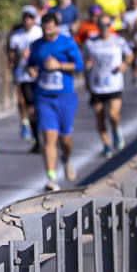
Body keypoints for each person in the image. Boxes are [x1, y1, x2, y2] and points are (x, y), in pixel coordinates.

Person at [27, 12, 84, 191]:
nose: (47, 32)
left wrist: (59, 66)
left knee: (65, 139)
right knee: (48, 138)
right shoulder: (36, 45)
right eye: (44, 28)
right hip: (44, 97)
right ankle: (51, 178)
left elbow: (80, 65)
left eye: (51, 28)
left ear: (57, 27)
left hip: (65, 96)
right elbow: (30, 63)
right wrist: (32, 70)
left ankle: (66, 159)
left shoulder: (67, 42)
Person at [83, 15, 133, 158]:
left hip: (114, 84)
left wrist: (124, 64)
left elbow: (130, 55)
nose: (104, 28)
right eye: (101, 25)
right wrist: (87, 72)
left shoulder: (118, 41)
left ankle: (116, 130)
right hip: (97, 85)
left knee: (112, 114)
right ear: (97, 26)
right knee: (99, 116)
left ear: (110, 26)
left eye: (107, 25)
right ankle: (106, 145)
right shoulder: (90, 43)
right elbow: (86, 60)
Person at [8, 6, 42, 145]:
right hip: (22, 74)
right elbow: (10, 56)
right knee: (25, 103)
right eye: (25, 18)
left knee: (38, 104)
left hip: (39, 75)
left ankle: (40, 129)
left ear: (34, 20)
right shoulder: (16, 36)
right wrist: (17, 59)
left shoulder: (39, 32)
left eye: (30, 18)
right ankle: (26, 125)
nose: (27, 21)